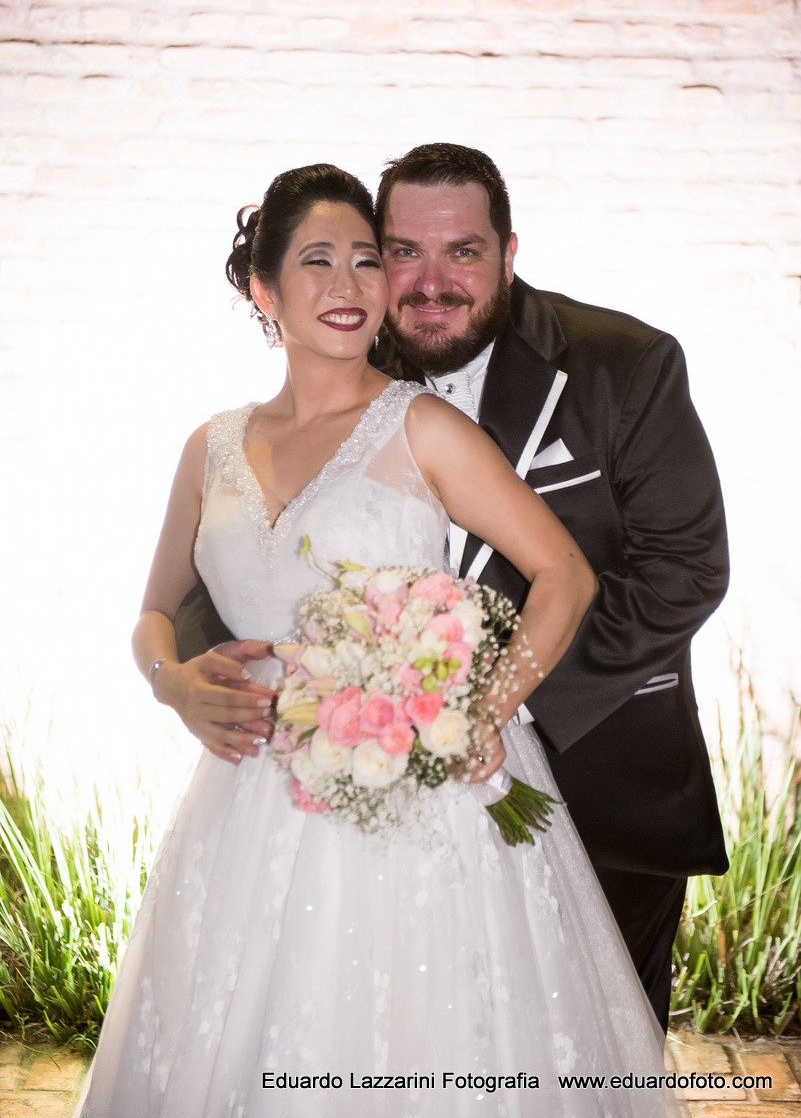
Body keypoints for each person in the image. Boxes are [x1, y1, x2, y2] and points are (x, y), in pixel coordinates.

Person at [80, 164, 677, 1117]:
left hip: (420, 788)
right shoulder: (211, 448)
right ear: (263, 290)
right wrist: (174, 683)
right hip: (249, 792)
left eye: (367, 259)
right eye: (317, 261)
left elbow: (564, 575)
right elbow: (154, 611)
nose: (351, 284)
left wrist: (487, 708)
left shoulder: (421, 426)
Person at [174, 145, 730, 1034]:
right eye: (403, 252)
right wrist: (203, 675)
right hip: (368, 791)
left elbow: (683, 569)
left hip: (600, 770)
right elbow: (261, 543)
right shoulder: (345, 351)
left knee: (593, 1054)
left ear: (507, 253)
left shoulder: (623, 363)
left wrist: (486, 698)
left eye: (462, 253)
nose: (430, 283)